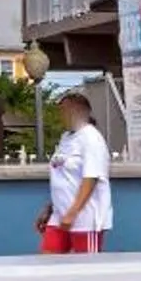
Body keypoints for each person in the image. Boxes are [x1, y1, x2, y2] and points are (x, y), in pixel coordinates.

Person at [37, 88, 111, 255]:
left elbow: (90, 178)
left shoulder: (91, 138)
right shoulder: (66, 138)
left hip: (86, 219)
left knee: (85, 270)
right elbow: (63, 177)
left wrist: (72, 213)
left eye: (64, 111)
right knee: (47, 263)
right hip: (59, 216)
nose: (61, 116)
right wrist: (50, 209)